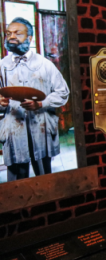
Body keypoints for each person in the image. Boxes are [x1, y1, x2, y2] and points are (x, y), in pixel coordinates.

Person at [0, 17, 69, 181]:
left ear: (29, 38)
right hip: (13, 129)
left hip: (41, 128)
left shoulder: (45, 64)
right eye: (9, 33)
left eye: (18, 33)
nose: (11, 37)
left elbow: (63, 92)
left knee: (44, 176)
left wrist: (41, 104)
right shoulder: (2, 65)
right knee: (16, 180)